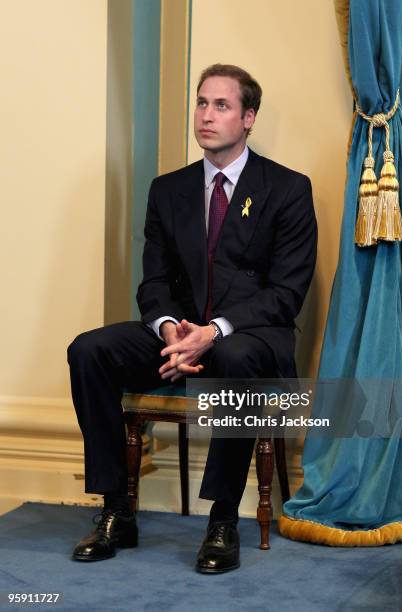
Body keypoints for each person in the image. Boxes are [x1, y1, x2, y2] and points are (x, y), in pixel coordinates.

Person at [67, 63, 317, 573]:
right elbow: (153, 282)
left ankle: (223, 519)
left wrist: (212, 332)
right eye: (201, 103)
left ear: (248, 117)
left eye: (221, 106)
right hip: (179, 333)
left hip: (248, 339)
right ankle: (117, 510)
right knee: (88, 349)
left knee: (236, 354)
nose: (206, 115)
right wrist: (168, 330)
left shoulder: (288, 189)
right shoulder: (168, 190)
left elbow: (285, 295)